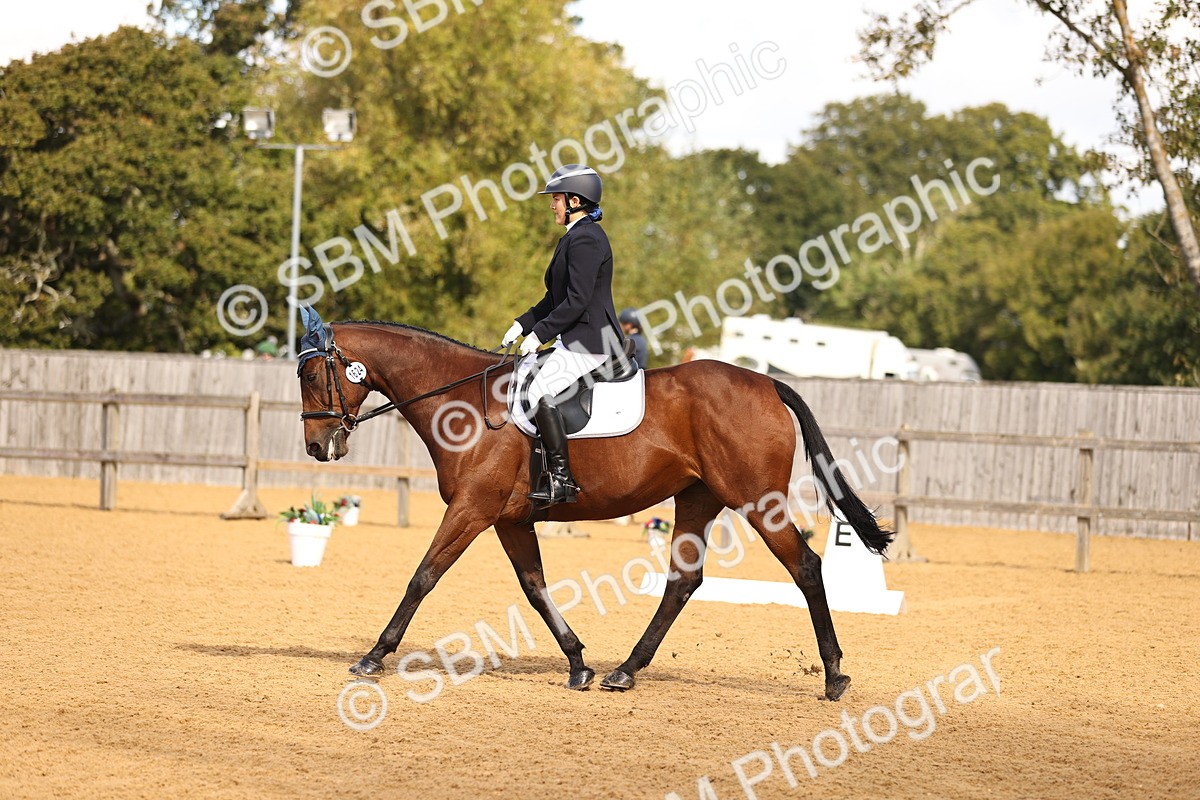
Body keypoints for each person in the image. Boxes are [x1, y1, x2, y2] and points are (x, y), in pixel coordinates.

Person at [501, 164, 624, 506]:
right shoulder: (573, 236)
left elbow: (577, 300)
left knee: (539, 390)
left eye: (555, 199)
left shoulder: (586, 239)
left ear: (574, 200)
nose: (552, 205)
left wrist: (540, 333)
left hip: (591, 341)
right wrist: (523, 324)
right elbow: (554, 300)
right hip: (573, 339)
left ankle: (561, 479)